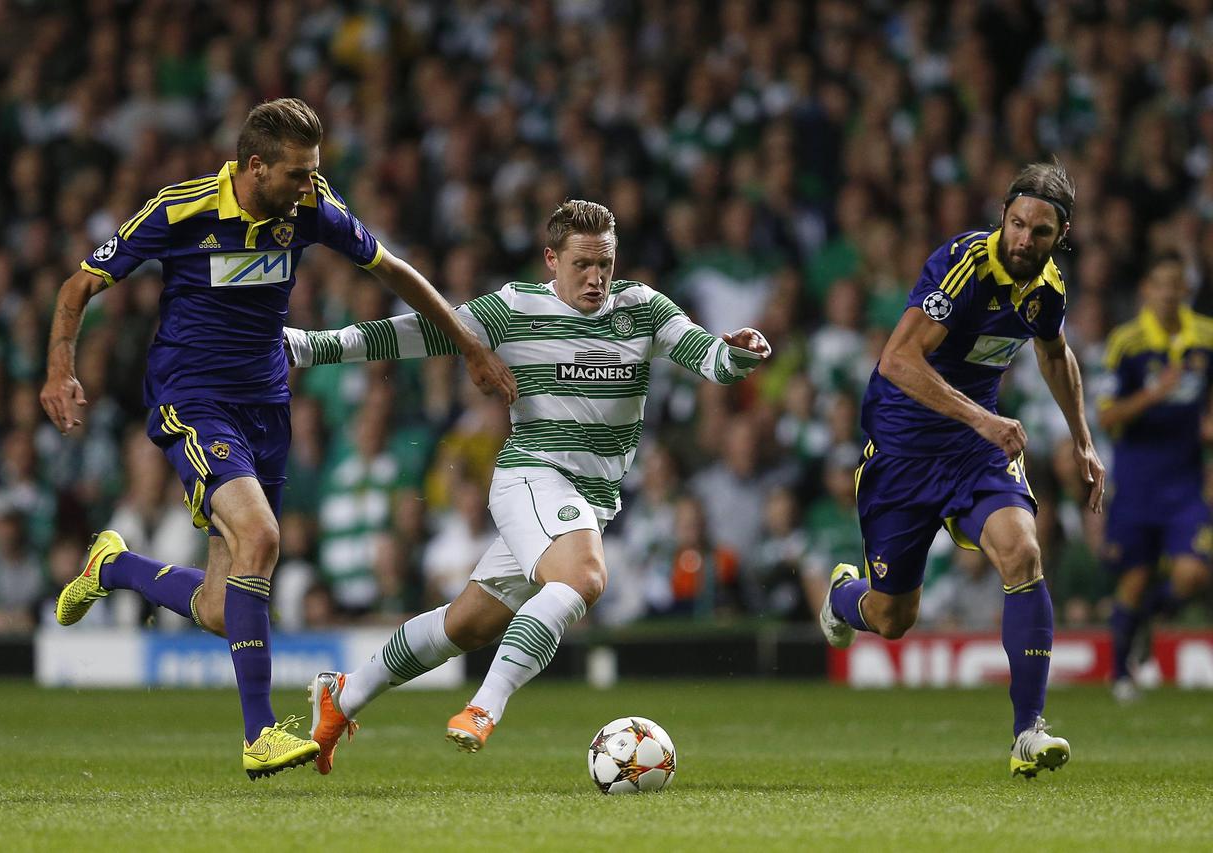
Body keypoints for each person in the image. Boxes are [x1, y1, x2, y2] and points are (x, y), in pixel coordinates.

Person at [39, 98, 516, 780]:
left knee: (218, 604)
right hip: (191, 400)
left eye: (313, 173)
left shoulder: (311, 205)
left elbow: (393, 269)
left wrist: (466, 345)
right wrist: (60, 368)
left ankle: (113, 567)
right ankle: (261, 731)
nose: (308, 186)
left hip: (267, 406)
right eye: (296, 174)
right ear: (254, 166)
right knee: (261, 538)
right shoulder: (181, 209)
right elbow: (78, 284)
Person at [283, 199, 770, 774]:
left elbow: (709, 357)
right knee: (585, 577)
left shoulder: (642, 310)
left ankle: (344, 694)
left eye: (605, 264)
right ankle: (484, 708)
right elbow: (422, 330)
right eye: (582, 264)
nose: (596, 277)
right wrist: (313, 345)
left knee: (465, 625)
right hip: (531, 478)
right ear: (552, 260)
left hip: (589, 502)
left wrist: (739, 354)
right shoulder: (514, 309)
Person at [815, 161, 1106, 778]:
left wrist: (1082, 439)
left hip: (975, 455)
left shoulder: (1048, 286)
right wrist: (984, 420)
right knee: (894, 620)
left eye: (1041, 231)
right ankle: (843, 598)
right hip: (903, 453)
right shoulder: (964, 266)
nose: (1025, 239)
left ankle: (1028, 731)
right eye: (1017, 223)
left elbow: (1055, 353)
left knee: (1023, 554)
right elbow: (896, 360)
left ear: (1062, 234)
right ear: (1003, 215)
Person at [1098, 253, 1213, 702]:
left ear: (1184, 290)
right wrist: (1153, 394)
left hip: (1184, 480)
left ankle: (1146, 621)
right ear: (1146, 289)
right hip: (1138, 478)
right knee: (1135, 577)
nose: (1168, 293)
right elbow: (1107, 417)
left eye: (1175, 285)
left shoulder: (1205, 337)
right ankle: (1119, 674)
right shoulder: (1126, 343)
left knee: (1191, 573)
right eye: (1160, 284)